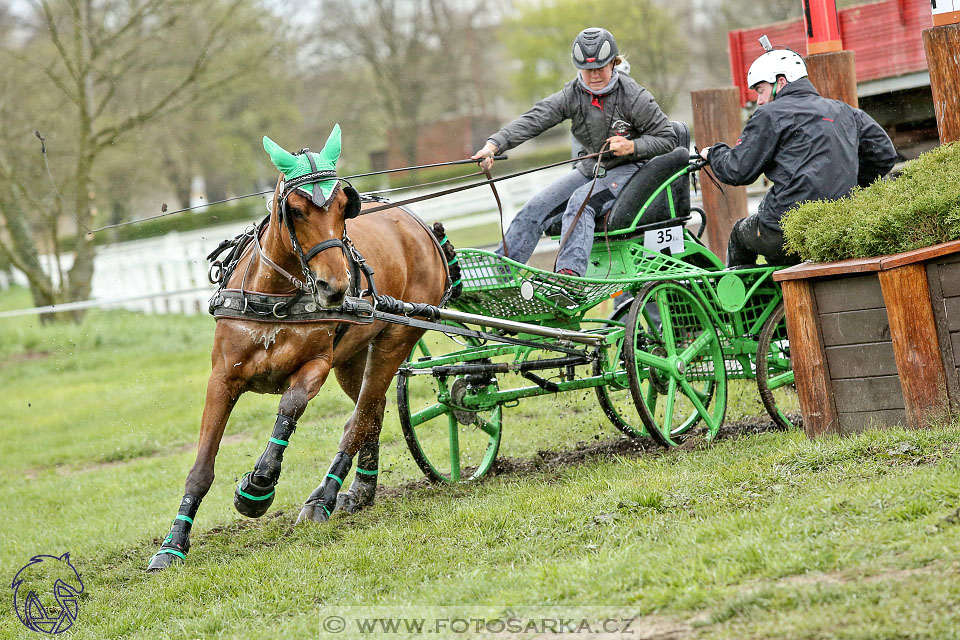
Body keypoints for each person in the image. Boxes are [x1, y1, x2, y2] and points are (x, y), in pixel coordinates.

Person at [472, 28, 676, 277]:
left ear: (614, 63)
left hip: (632, 172)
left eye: (600, 68)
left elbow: (668, 138)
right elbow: (535, 119)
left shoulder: (634, 96)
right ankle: (499, 277)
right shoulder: (572, 95)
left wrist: (632, 147)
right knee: (536, 207)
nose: (595, 76)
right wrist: (494, 144)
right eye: (588, 70)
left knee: (580, 203)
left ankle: (570, 277)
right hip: (592, 169)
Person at [699, 41, 897, 267]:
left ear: (781, 82)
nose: (759, 100)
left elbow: (737, 170)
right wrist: (851, 186)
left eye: (761, 90)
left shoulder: (770, 114)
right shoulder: (845, 111)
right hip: (841, 223)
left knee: (739, 235)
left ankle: (744, 301)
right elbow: (884, 154)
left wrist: (713, 153)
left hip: (786, 227)